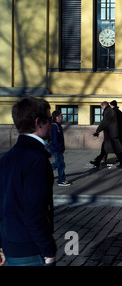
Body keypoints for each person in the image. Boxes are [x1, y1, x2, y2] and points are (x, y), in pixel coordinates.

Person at [0, 97, 57, 266]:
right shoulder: (36, 159)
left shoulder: (7, 157)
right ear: (38, 122)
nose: (52, 124)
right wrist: (48, 250)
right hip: (30, 249)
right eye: (50, 119)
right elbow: (34, 211)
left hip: (10, 244)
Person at [90, 101, 122, 168]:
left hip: (111, 134)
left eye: (101, 107)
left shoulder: (108, 111)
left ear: (104, 106)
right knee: (104, 148)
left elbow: (104, 122)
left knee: (117, 149)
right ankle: (97, 162)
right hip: (111, 134)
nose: (102, 109)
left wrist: (97, 131)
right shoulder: (111, 111)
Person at [50, 110, 71, 187]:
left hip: (59, 148)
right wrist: (58, 148)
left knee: (58, 163)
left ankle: (46, 170)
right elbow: (54, 139)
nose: (62, 116)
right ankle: (61, 180)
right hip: (56, 149)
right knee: (61, 164)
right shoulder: (54, 126)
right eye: (61, 115)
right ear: (57, 117)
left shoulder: (58, 125)